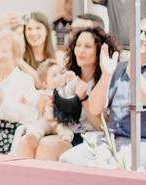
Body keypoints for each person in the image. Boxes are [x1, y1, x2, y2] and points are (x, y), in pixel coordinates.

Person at [60, 15, 146, 169]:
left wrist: (136, 78)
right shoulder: (119, 68)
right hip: (113, 140)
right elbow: (95, 108)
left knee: (111, 166)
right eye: (138, 31)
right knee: (68, 159)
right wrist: (106, 74)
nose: (141, 37)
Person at [16, 27, 119, 160]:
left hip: (87, 136)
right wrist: (47, 102)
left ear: (99, 50)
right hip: (59, 129)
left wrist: (84, 99)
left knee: (48, 146)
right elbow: (44, 109)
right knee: (25, 143)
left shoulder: (104, 82)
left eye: (87, 46)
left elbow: (102, 126)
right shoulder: (66, 77)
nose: (80, 50)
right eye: (78, 45)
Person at [19, 11, 56, 83]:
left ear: (47, 31)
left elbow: (44, 83)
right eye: (29, 28)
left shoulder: (57, 56)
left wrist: (20, 62)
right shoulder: (20, 57)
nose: (33, 33)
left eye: (38, 28)